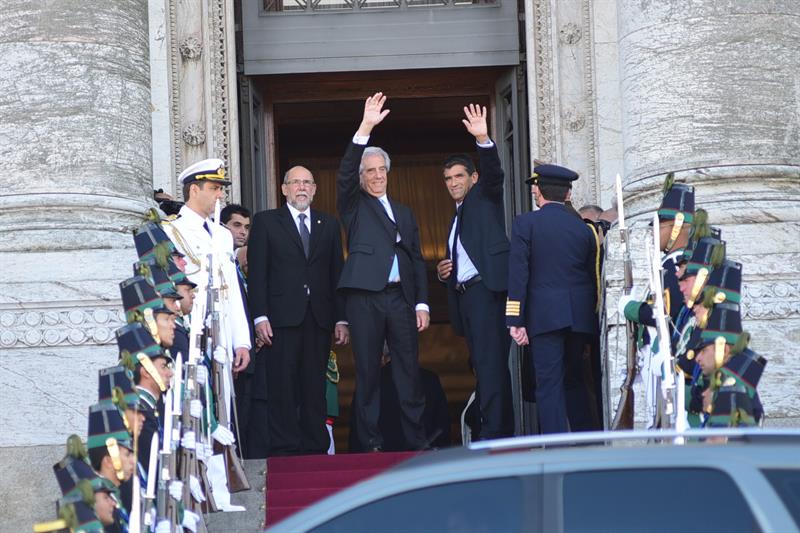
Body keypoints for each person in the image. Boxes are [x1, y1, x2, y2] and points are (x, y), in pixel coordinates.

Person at [336, 92, 429, 451]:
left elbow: (417, 259)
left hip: (400, 299)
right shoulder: (354, 206)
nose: (376, 176)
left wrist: (422, 303)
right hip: (365, 298)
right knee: (369, 374)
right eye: (369, 171)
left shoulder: (405, 212)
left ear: (388, 173)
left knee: (408, 372)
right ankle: (369, 445)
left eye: (380, 170)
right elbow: (345, 174)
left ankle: (416, 443)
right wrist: (365, 128)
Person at [248, 165, 348, 456]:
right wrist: (260, 316)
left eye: (307, 182)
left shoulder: (328, 225)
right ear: (284, 189)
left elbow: (335, 275)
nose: (301, 187)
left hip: (318, 318)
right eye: (295, 182)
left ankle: (315, 448)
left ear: (315, 189)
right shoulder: (266, 222)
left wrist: (341, 318)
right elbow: (258, 274)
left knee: (314, 385)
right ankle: (285, 448)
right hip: (280, 318)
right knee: (282, 384)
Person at [435, 104, 513, 440]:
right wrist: (445, 270)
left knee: (490, 366)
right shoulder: (456, 219)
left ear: (473, 178)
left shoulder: (484, 199)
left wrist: (483, 138)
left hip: (487, 294)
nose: (453, 183)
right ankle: (493, 429)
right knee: (484, 367)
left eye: (459, 176)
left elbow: (496, 176)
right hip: (467, 299)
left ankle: (494, 436)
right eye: (448, 178)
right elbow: (464, 259)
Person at [506, 164, 599, 434]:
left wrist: (516, 319)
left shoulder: (526, 223)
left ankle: (556, 448)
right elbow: (590, 276)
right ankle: (586, 442)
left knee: (549, 384)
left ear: (539, 192)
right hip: (579, 318)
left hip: (544, 317)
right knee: (574, 381)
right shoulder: (585, 228)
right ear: (568, 193)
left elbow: (519, 274)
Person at [162, 158, 251, 375]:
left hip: (224, 332)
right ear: (194, 189)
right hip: (192, 329)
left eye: (220, 189)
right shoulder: (171, 230)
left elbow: (231, 287)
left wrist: (241, 341)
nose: (219, 195)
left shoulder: (221, 234)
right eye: (214, 188)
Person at [221, 203, 256, 457]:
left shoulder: (235, 264)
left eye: (246, 227)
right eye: (236, 225)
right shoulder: (220, 260)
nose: (242, 232)